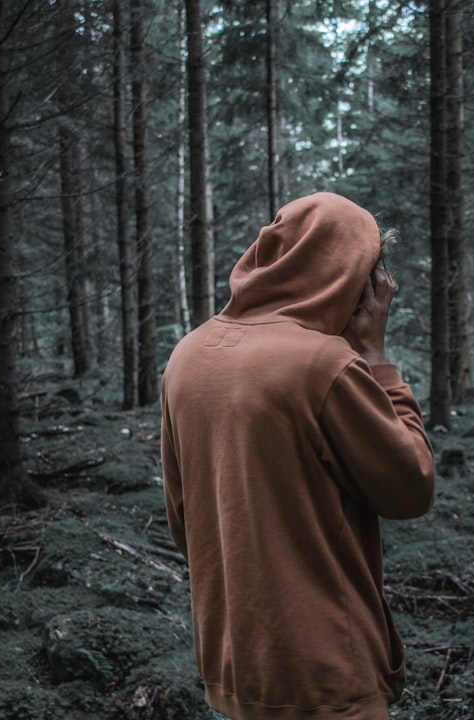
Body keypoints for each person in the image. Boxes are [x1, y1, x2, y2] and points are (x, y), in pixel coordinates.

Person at [160, 192, 436, 720]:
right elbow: (411, 487)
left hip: (232, 671)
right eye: (375, 275)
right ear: (350, 276)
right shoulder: (325, 366)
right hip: (326, 680)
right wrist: (377, 360)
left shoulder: (187, 355)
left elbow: (183, 524)